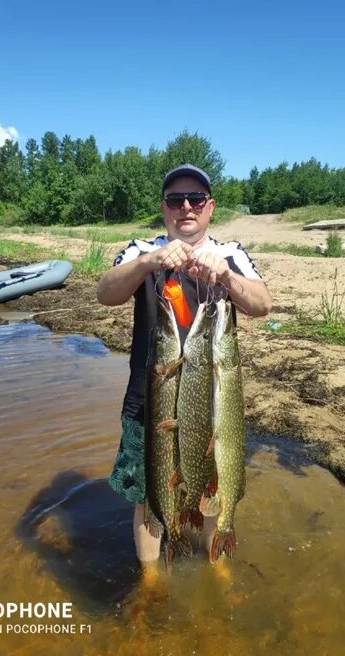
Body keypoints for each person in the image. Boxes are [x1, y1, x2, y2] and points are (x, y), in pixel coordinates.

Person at [96, 163, 271, 570]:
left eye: (195, 199)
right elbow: (105, 292)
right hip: (149, 399)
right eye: (176, 200)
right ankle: (150, 583)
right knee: (149, 494)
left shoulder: (231, 254)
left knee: (214, 485)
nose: (186, 207)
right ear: (164, 208)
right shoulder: (142, 249)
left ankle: (218, 569)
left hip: (212, 401)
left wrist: (225, 276)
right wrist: (149, 263)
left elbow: (262, 305)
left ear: (210, 207)